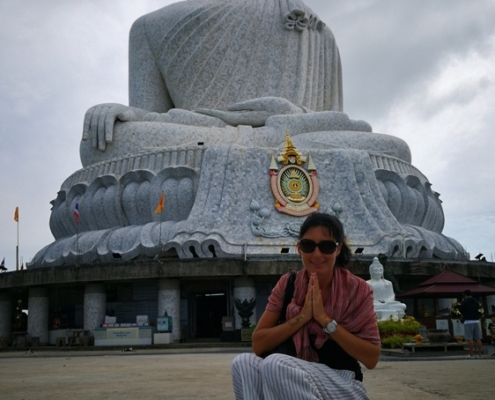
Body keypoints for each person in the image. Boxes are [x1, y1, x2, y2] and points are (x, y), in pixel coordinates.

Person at [231, 213, 381, 399]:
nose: (317, 254)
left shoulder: (356, 289)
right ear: (300, 248)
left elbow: (371, 358)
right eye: (309, 245)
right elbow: (258, 343)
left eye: (326, 246)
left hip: (343, 380)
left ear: (338, 249)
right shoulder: (289, 284)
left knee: (275, 363)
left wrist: (325, 320)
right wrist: (302, 317)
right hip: (296, 373)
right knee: (243, 362)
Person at [459, 290, 483, 358]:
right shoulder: (476, 302)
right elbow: (479, 309)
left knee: (469, 339)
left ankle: (471, 354)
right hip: (476, 320)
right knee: (478, 338)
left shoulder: (464, 302)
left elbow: (461, 310)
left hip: (468, 321)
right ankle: (480, 354)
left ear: (465, 295)